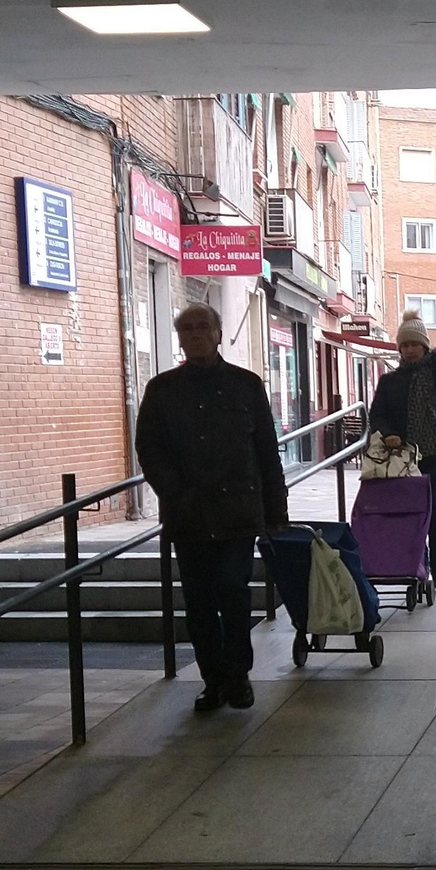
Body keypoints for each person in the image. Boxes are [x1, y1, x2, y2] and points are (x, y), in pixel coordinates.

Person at [136, 304, 289, 712]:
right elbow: (148, 449)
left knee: (233, 593)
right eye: (187, 329)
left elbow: (267, 453)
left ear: (219, 334)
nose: (196, 334)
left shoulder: (246, 385)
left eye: (204, 327)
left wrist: (276, 511)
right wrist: (176, 493)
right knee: (200, 603)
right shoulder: (162, 390)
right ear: (180, 339)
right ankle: (213, 680)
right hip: (188, 516)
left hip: (237, 513)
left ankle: (237, 675)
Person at [369, 311, 436, 589]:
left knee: (435, 507)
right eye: (405, 345)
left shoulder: (435, 372)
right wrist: (389, 434)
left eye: (414, 345)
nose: (409, 350)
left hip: (435, 452)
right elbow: (377, 415)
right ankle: (413, 561)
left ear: (424, 346)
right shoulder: (390, 381)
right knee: (409, 510)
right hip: (402, 455)